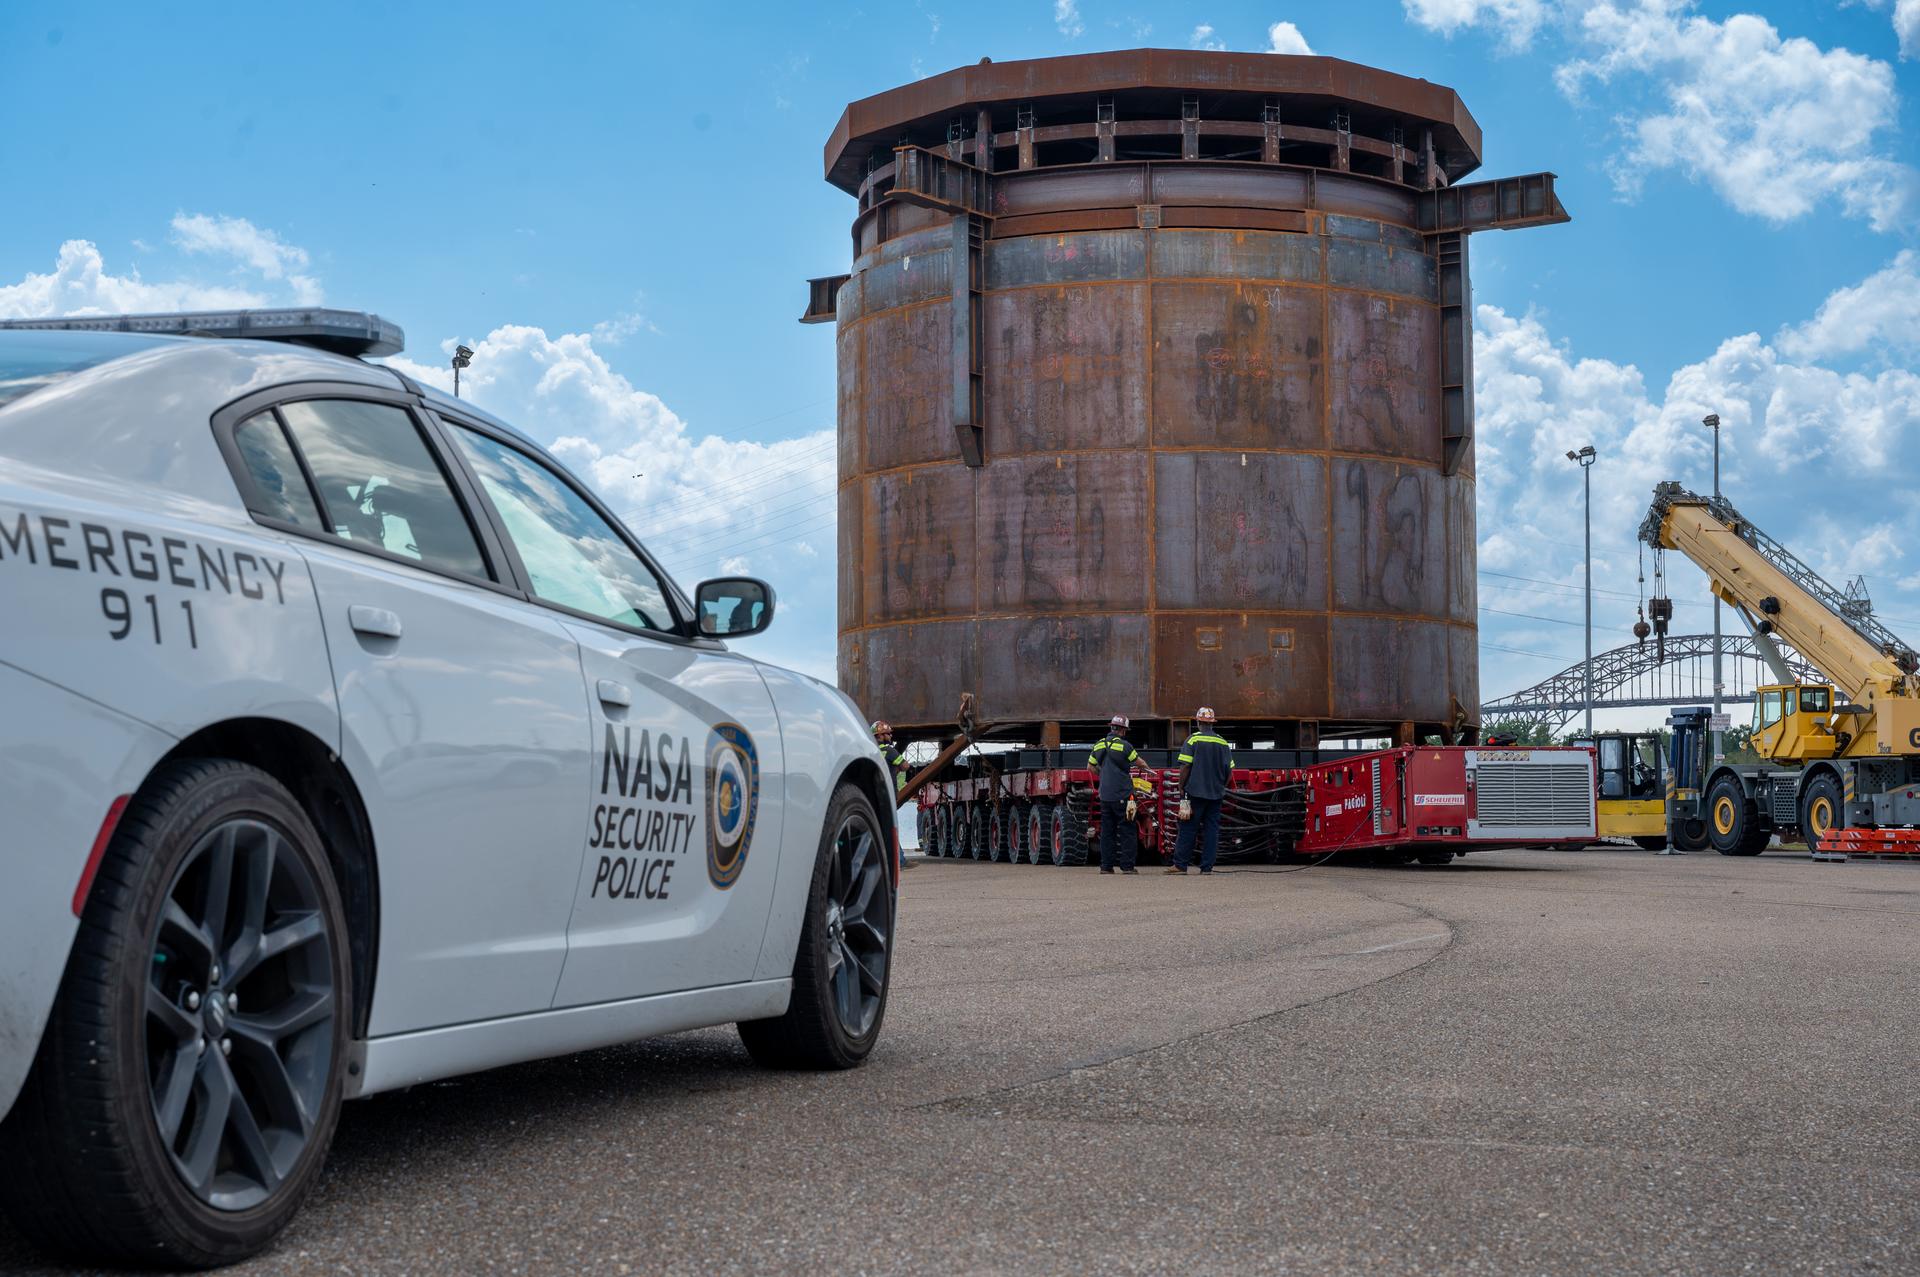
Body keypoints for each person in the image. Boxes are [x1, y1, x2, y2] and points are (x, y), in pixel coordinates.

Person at [1167, 707, 1233, 875]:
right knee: (1211, 831)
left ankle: (1180, 865)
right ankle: (1207, 868)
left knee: (1188, 828)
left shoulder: (1192, 740)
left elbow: (1185, 766)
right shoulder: (1223, 742)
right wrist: (1221, 786)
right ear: (1212, 723)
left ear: (1198, 722)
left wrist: (1181, 786)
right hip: (1216, 794)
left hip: (1195, 792)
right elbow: (1229, 771)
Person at [1088, 714, 1142, 874]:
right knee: (1128, 830)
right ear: (1123, 730)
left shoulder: (1098, 745)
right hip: (1125, 796)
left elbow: (1090, 767)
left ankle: (1106, 867)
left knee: (1107, 832)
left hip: (1105, 796)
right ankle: (1127, 867)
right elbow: (1139, 762)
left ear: (1111, 727)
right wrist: (1148, 768)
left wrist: (1104, 775)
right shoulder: (1125, 746)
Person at [873, 721, 913, 869]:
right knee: (890, 827)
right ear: (880, 736)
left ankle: (885, 860)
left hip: (875, 794)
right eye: (887, 734)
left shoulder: (871, 751)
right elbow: (905, 766)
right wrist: (896, 768)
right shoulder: (889, 751)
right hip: (888, 795)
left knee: (881, 827)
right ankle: (899, 861)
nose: (890, 736)